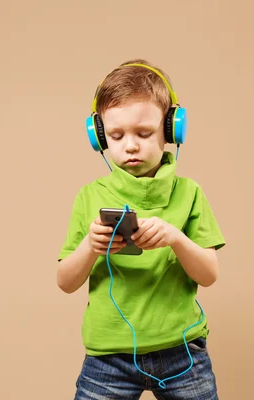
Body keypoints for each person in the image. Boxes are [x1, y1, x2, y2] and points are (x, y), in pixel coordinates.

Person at [56, 58, 226, 400]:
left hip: (182, 353)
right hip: (109, 357)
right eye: (116, 135)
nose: (130, 145)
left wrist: (176, 239)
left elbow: (208, 275)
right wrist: (90, 246)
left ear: (170, 129)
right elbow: (65, 282)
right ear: (99, 136)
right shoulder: (89, 196)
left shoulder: (189, 193)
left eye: (143, 133)